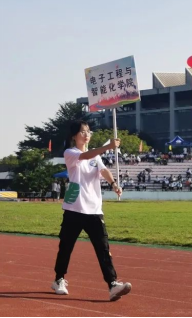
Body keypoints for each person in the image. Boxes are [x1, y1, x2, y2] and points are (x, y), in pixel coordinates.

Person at [52, 121, 132, 302]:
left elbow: (103, 170)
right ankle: (59, 279)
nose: (86, 134)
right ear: (74, 136)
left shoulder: (95, 157)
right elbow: (86, 155)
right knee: (66, 247)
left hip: (94, 209)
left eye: (88, 131)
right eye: (82, 132)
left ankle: (112, 284)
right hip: (74, 208)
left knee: (103, 248)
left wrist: (114, 184)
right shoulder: (71, 153)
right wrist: (108, 147)